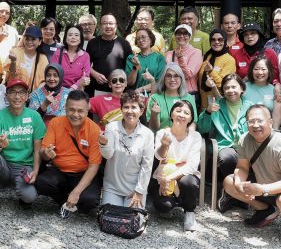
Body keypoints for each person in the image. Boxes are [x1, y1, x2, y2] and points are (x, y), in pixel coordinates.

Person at [223, 105, 281, 249]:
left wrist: (262, 189)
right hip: (265, 185)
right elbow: (242, 167)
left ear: (270, 122)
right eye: (251, 121)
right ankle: (265, 210)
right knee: (229, 182)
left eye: (260, 121)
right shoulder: (245, 139)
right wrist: (239, 182)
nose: (255, 125)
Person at [0, 79, 46, 223]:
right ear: (6, 96)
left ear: (27, 96)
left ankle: (20, 191)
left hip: (23, 167)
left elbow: (37, 150)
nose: (17, 97)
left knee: (29, 197)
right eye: (12, 92)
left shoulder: (34, 116)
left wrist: (35, 171)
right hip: (3, 164)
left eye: (21, 92)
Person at [36, 90, 102, 217]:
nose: (75, 114)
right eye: (71, 109)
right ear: (65, 108)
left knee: (90, 201)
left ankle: (73, 199)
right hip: (60, 171)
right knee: (41, 182)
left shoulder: (94, 130)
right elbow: (42, 152)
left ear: (87, 110)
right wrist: (46, 153)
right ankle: (64, 202)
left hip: (83, 173)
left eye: (80, 111)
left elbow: (94, 166)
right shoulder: (56, 123)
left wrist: (76, 192)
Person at [196, 73, 253, 213]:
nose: (230, 90)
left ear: (242, 89)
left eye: (234, 87)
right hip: (226, 146)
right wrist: (208, 113)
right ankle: (231, 193)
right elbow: (202, 128)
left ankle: (235, 193)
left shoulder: (250, 106)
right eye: (227, 88)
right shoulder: (216, 106)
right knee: (227, 157)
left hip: (248, 146)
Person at [152, 100, 202, 231]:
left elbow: (192, 166)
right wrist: (164, 145)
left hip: (181, 175)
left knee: (189, 182)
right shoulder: (162, 133)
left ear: (191, 118)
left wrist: (169, 179)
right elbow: (158, 157)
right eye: (178, 111)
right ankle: (172, 202)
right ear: (171, 114)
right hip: (164, 173)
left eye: (186, 113)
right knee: (164, 207)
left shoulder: (195, 136)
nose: (181, 115)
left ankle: (189, 211)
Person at [99, 91, 154, 209]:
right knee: (112, 222)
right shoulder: (111, 127)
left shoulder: (147, 134)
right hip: (112, 187)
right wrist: (103, 144)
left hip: (135, 187)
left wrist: (139, 192)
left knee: (132, 222)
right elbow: (107, 155)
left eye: (134, 107)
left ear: (141, 111)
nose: (129, 111)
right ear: (121, 109)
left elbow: (146, 166)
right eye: (126, 107)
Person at [86, 14, 133, 96]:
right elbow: (85, 64)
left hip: (118, 90)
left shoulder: (124, 44)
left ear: (116, 26)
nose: (108, 26)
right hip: (97, 89)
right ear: (100, 26)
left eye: (111, 23)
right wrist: (94, 74)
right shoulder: (92, 43)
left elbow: (130, 68)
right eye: (104, 23)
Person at [147, 63, 197, 131]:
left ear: (181, 79)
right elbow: (153, 129)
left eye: (176, 76)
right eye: (168, 76)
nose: (172, 79)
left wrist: (188, 138)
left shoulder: (189, 98)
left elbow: (192, 123)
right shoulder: (155, 98)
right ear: (163, 79)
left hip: (183, 139)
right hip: (162, 139)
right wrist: (154, 114)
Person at [197, 29, 237, 111]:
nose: (216, 42)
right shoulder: (207, 56)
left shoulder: (229, 60)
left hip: (219, 105)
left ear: (225, 41)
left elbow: (224, 83)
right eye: (213, 39)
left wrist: (212, 71)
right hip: (203, 103)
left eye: (220, 39)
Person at [165, 24, 202, 105]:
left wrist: (180, 58)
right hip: (170, 93)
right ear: (175, 36)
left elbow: (189, 75)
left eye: (185, 34)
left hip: (188, 93)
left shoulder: (196, 52)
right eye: (179, 33)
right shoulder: (169, 54)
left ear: (190, 36)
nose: (182, 36)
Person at [5, 26, 48, 93]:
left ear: (40, 41)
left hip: (33, 97)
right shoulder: (15, 52)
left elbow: (44, 81)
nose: (29, 42)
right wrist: (13, 61)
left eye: (33, 39)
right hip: (14, 95)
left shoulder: (43, 58)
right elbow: (10, 75)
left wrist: (34, 96)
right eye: (27, 39)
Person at [243, 57, 281, 129]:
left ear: (269, 71)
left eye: (263, 69)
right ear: (251, 71)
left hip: (267, 131)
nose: (260, 72)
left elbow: (277, 115)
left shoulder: (275, 90)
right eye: (256, 69)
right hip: (245, 129)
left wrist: (274, 132)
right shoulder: (243, 88)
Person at [125, 28, 165, 94]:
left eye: (143, 37)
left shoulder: (159, 58)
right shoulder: (132, 58)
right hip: (134, 96)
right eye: (138, 39)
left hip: (154, 96)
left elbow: (160, 82)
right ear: (136, 43)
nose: (140, 40)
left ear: (151, 39)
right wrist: (135, 67)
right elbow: (130, 83)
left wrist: (141, 89)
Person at [50, 25, 91, 90]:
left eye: (76, 35)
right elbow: (51, 72)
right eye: (70, 35)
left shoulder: (85, 56)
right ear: (65, 38)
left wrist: (72, 89)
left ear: (81, 39)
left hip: (77, 93)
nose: (73, 37)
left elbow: (85, 76)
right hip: (58, 91)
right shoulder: (58, 53)